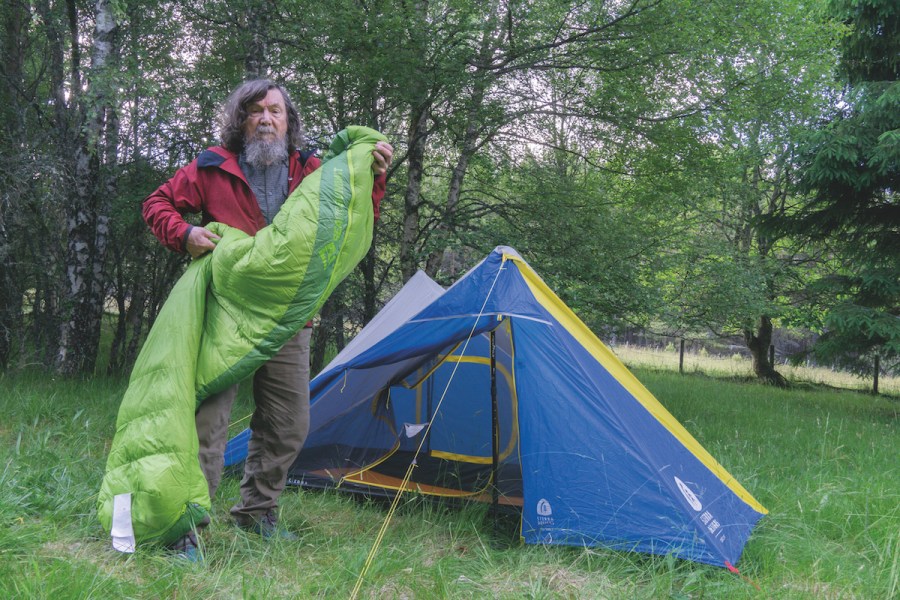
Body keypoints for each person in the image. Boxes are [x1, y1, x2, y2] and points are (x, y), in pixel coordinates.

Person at [142, 79, 392, 557]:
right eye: (255, 110)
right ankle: (185, 528)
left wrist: (374, 175)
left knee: (288, 423)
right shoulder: (212, 166)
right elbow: (157, 204)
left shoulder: (312, 169)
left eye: (275, 111)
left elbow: (355, 217)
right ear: (241, 120)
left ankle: (257, 514)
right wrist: (185, 233)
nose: (265, 118)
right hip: (224, 316)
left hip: (287, 321)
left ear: (287, 121)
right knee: (206, 426)